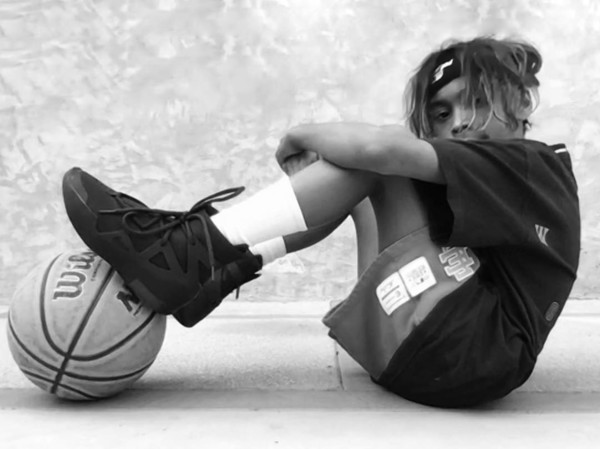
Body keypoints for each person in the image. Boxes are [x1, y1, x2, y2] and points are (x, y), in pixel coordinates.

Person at [62, 36, 580, 408]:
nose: (460, 122)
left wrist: (300, 133)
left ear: (520, 103)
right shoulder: (498, 178)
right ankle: (220, 270)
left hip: (465, 345)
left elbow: (378, 150)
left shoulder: (533, 163)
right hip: (423, 356)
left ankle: (188, 250)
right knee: (367, 180)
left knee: (383, 157)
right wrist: (331, 180)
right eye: (442, 114)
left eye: (478, 102)